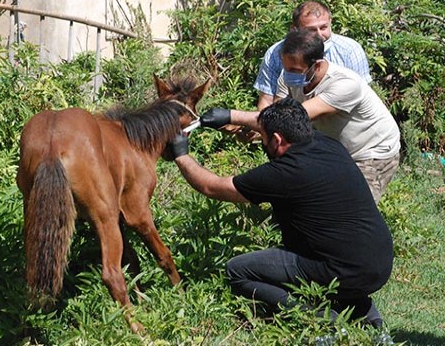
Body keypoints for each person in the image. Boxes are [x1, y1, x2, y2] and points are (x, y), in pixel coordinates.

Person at [166, 98, 393, 327]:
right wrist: (229, 116)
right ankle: (368, 316)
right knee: (340, 259)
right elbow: (270, 124)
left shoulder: (285, 173)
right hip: (379, 263)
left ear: (276, 140)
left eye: (263, 138)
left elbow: (212, 186)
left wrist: (181, 155)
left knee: (237, 271)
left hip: (340, 269)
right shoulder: (327, 144)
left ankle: (317, 318)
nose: (262, 142)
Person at [274, 29, 400, 203]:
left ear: (316, 65)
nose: (288, 74)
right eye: (286, 67)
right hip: (334, 150)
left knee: (354, 211)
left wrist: (233, 117)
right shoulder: (290, 74)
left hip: (370, 152)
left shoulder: (345, 83)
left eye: (294, 69)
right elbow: (275, 115)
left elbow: (292, 119)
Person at [254, 1, 372, 111]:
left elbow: (363, 96)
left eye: (323, 27)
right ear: (294, 29)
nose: (319, 35)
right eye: (311, 30)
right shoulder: (275, 53)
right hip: (297, 122)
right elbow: (267, 101)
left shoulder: (349, 50)